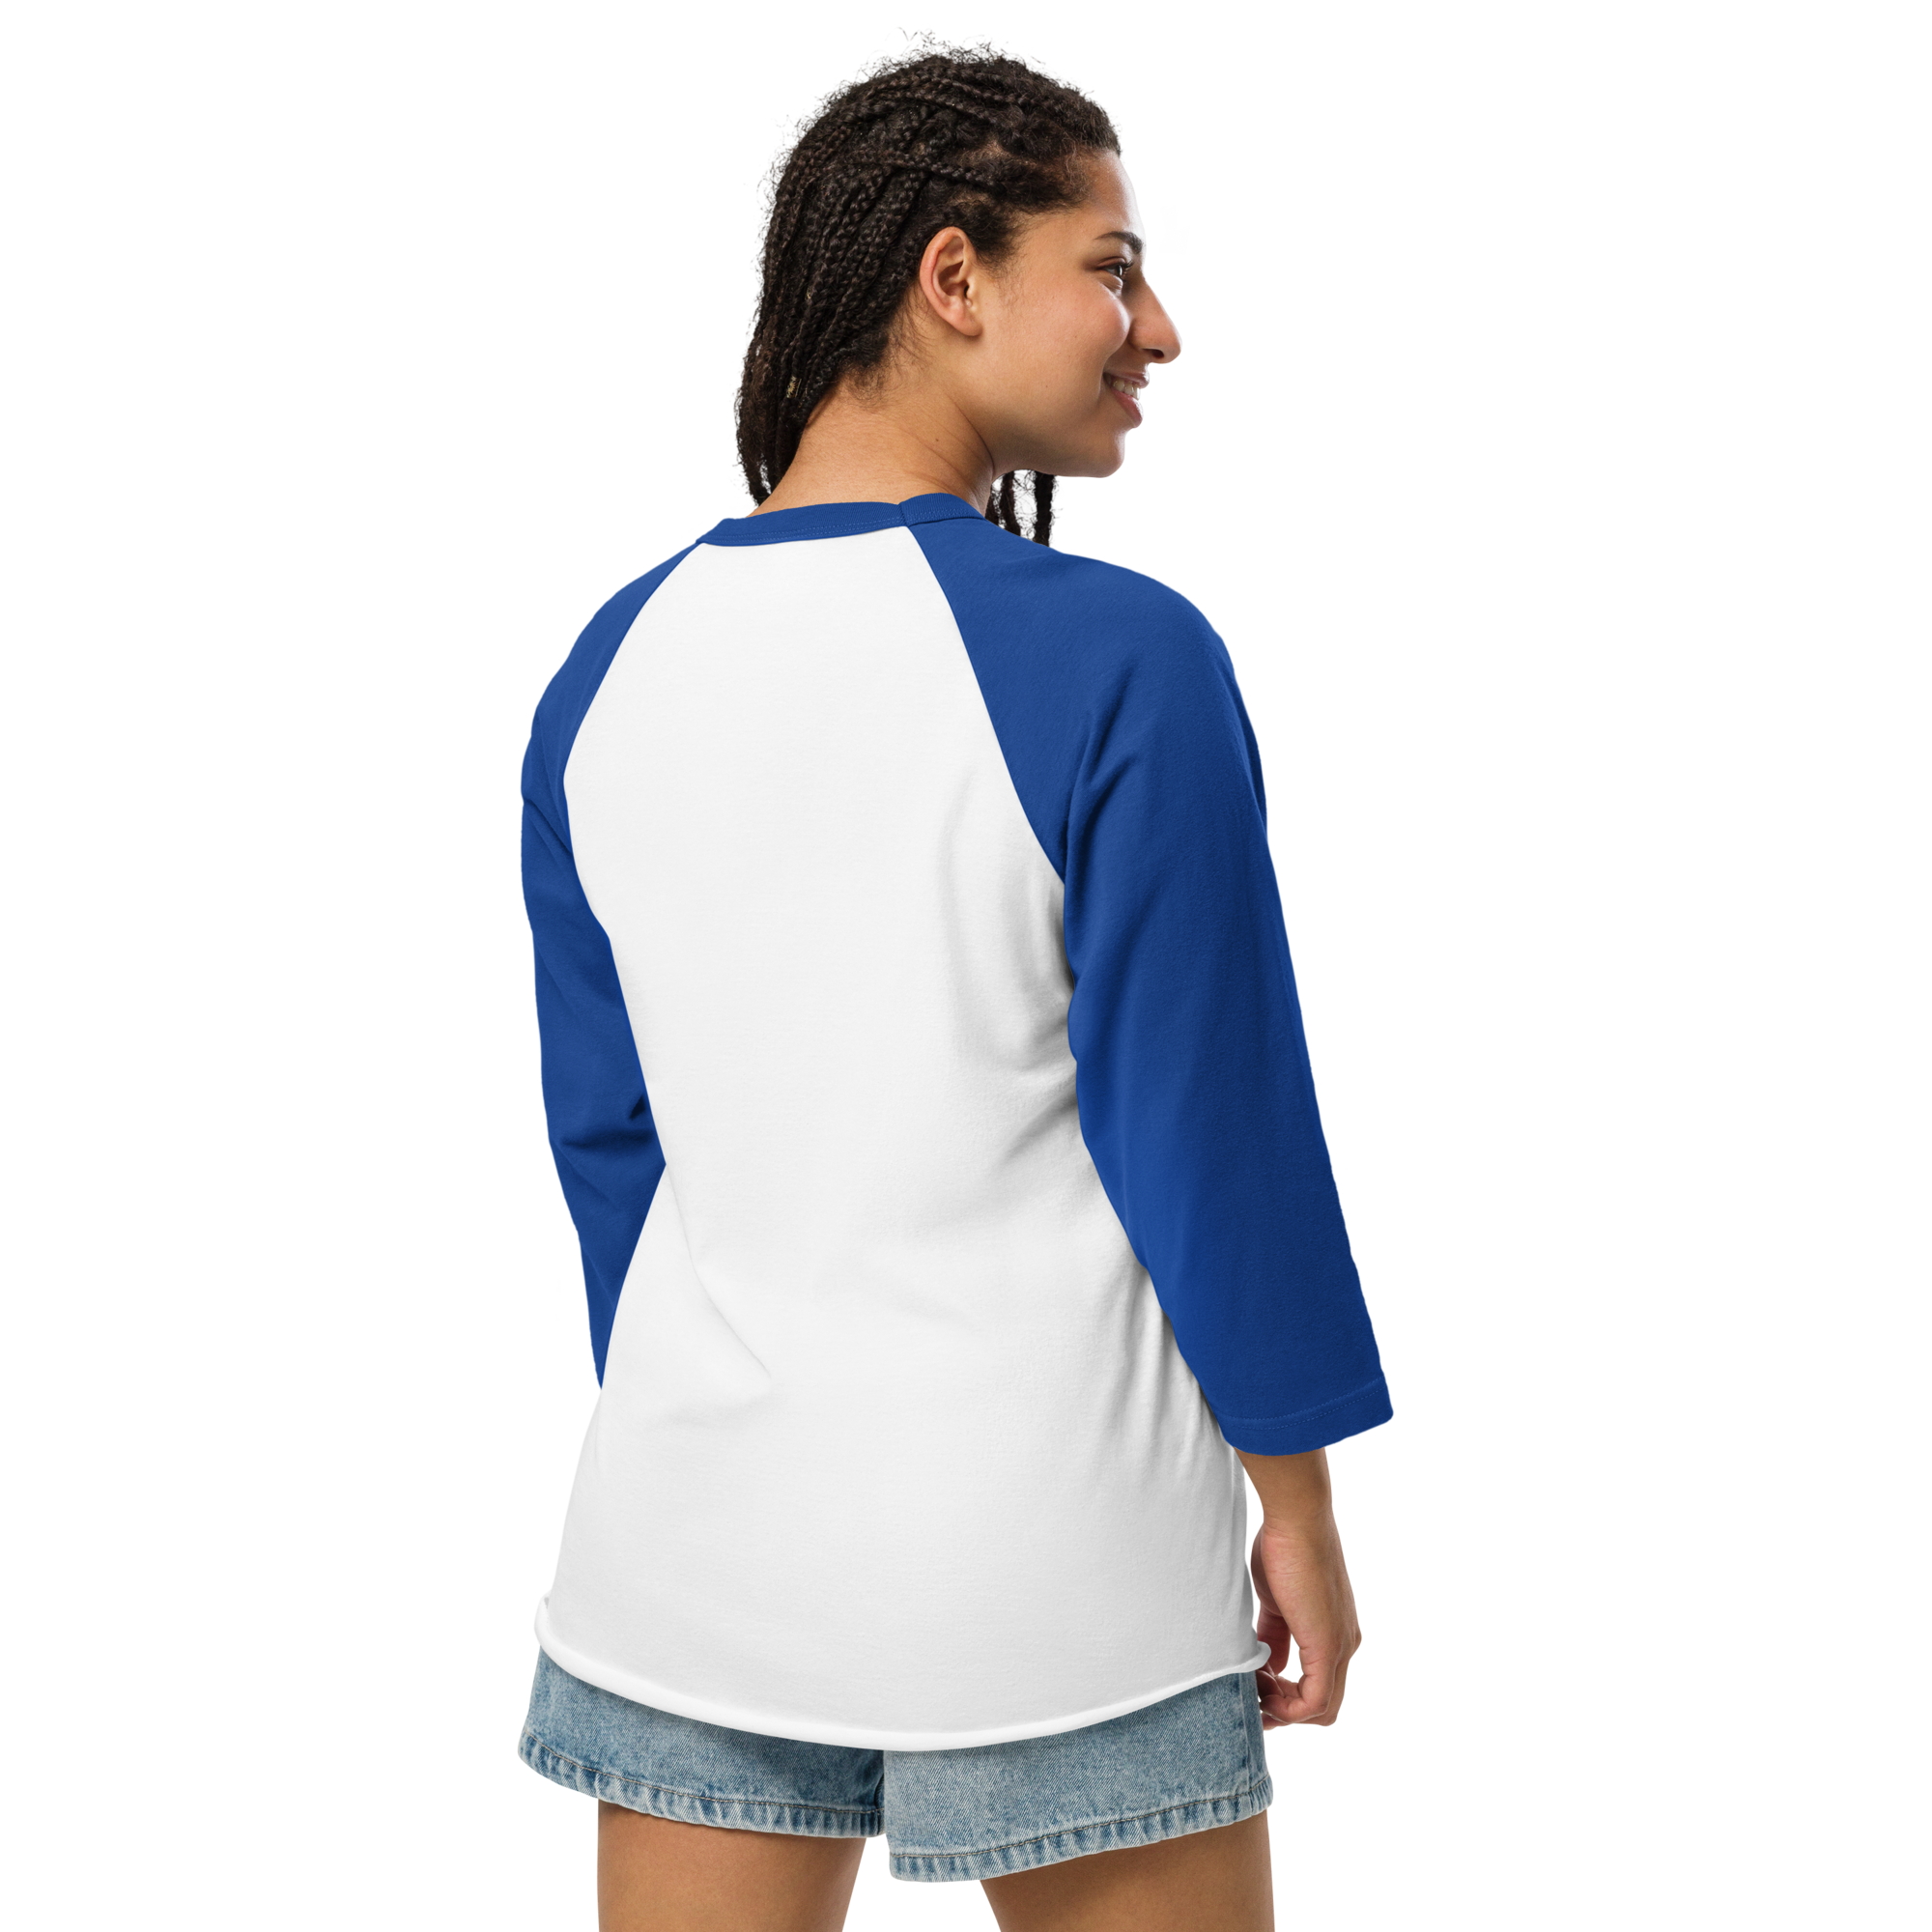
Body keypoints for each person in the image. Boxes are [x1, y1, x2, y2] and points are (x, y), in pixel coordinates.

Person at [515, 28, 1391, 1931]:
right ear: (951, 276)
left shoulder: (606, 666)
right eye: (1112, 269)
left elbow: (615, 1158)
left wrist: (731, 1436)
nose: (1156, 331)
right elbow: (1210, 1138)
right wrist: (1300, 1509)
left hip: (696, 1557)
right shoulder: (1127, 657)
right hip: (1060, 1567)